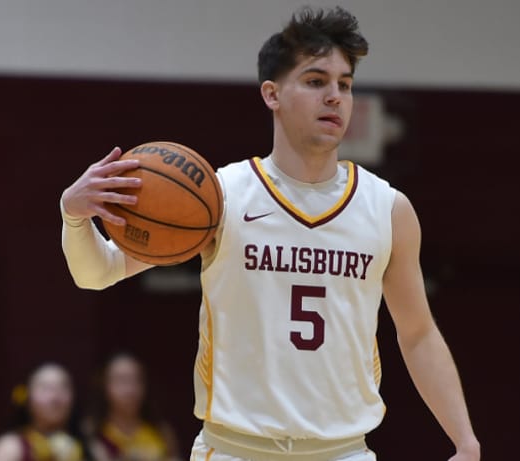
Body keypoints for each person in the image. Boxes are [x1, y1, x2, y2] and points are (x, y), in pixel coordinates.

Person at [60, 6, 480, 460]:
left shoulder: (388, 209)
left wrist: (465, 440)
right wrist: (75, 216)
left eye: (345, 84)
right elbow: (97, 273)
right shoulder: (221, 197)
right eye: (317, 81)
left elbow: (417, 333)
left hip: (342, 451)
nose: (335, 96)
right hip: (235, 449)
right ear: (272, 94)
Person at [85, 353, 180, 461]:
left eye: (136, 380)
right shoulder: (91, 432)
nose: (130, 389)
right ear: (104, 385)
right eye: (121, 380)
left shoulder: (162, 431)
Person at [0, 363, 87, 461]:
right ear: (27, 398)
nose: (55, 398)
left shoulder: (89, 446)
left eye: (63, 388)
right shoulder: (10, 447)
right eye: (46, 388)